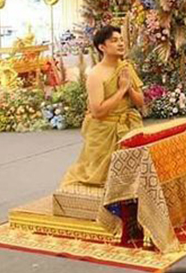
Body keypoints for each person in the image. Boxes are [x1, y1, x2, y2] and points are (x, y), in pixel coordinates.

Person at [60, 25, 149, 187]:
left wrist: (128, 87)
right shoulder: (96, 74)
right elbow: (98, 111)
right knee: (97, 176)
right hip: (104, 130)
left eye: (121, 40)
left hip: (128, 125)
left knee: (132, 175)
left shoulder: (126, 68)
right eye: (114, 41)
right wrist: (122, 90)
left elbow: (140, 102)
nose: (121, 44)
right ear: (102, 47)